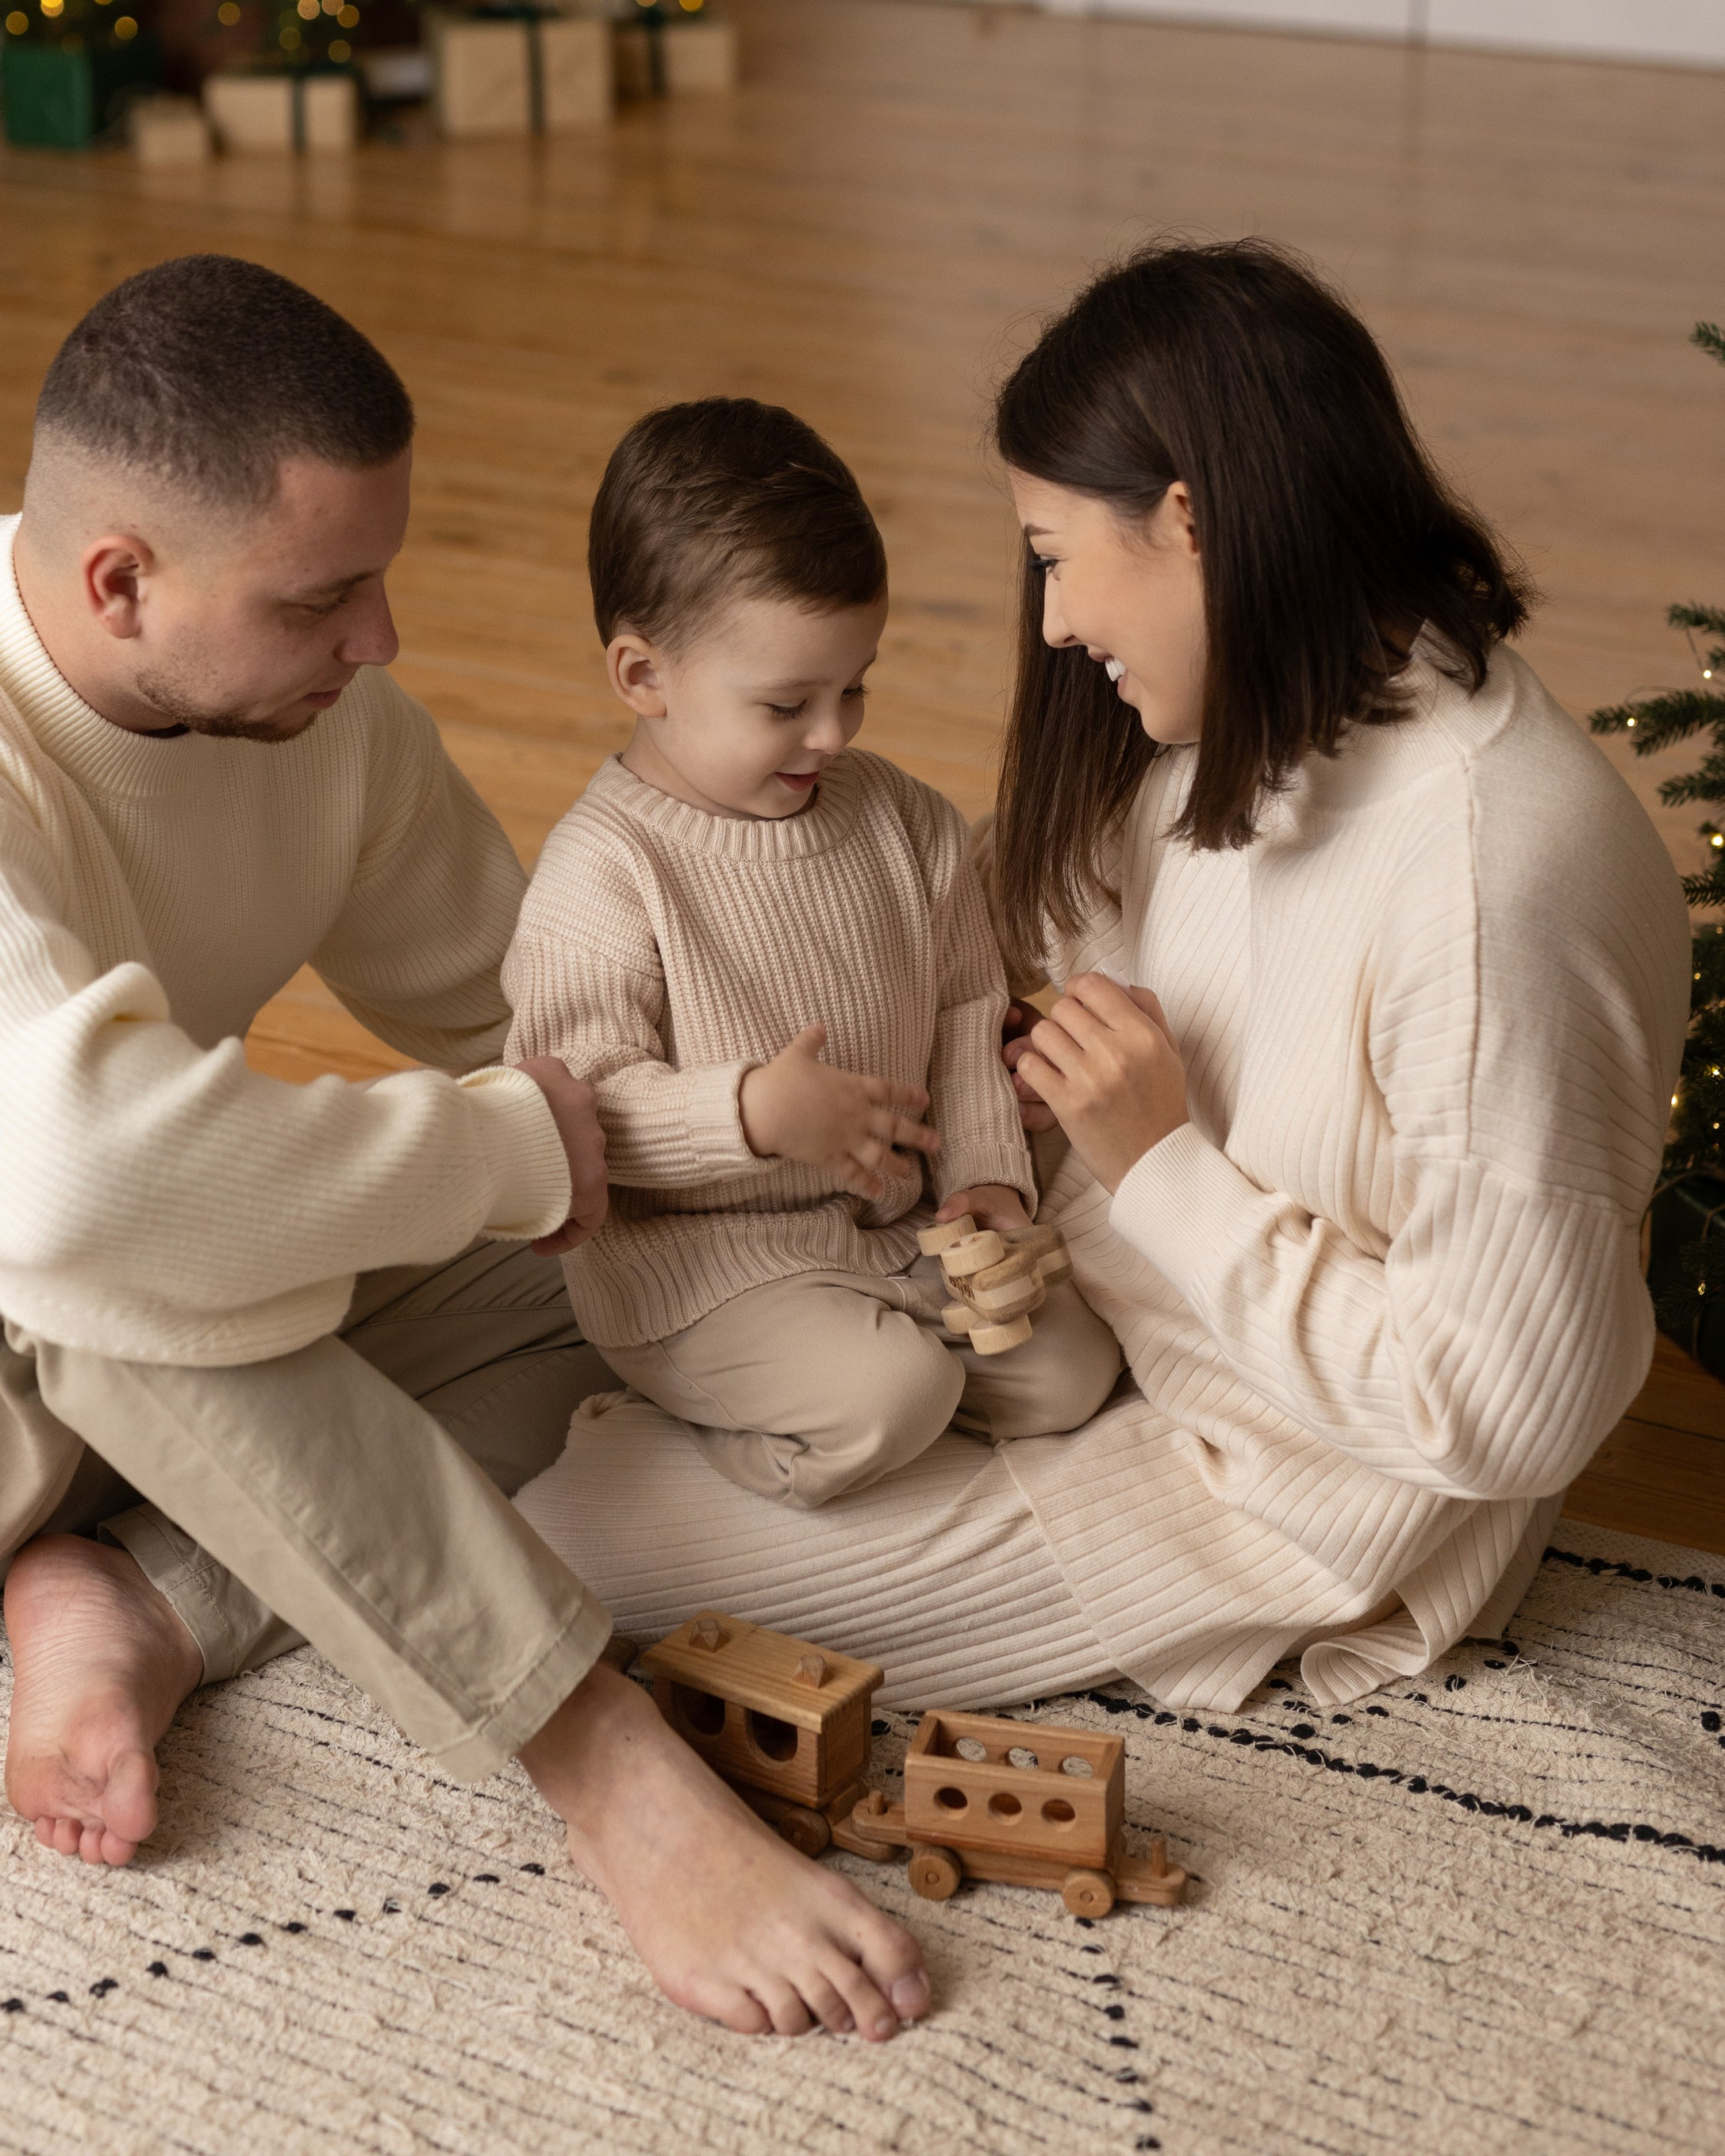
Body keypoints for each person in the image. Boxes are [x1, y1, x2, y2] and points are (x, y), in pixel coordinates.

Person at [0, 255, 928, 2045]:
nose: (381, 640)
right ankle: (600, 1761)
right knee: (82, 1210)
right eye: (323, 596)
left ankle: (153, 1598)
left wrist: (855, 1139)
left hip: (89, 1382)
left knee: (620, 1266)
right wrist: (501, 1153)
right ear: (120, 580)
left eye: (381, 577)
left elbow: (547, 1068)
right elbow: (71, 1184)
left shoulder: (313, 718)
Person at [519, 241, 1691, 1720]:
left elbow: (1498, 1416)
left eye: (1055, 555)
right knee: (574, 1387)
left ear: (1189, 521)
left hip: (1262, 1477)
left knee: (548, 1556)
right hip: (1074, 1304)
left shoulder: (1490, 886)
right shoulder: (1274, 711)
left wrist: (1157, 1165)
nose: (1056, 622)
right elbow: (1041, 937)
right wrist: (997, 1068)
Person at [503, 398, 1122, 1506]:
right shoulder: (603, 873)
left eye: (855, 687)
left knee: (1071, 1371)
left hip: (887, 1234)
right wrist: (748, 1114)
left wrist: (986, 1178)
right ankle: (683, 1452)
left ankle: (866, 1388)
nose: (833, 735)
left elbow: (965, 1009)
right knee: (893, 1398)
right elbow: (577, 1111)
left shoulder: (906, 821)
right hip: (703, 1277)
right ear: (643, 677)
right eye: (788, 704)